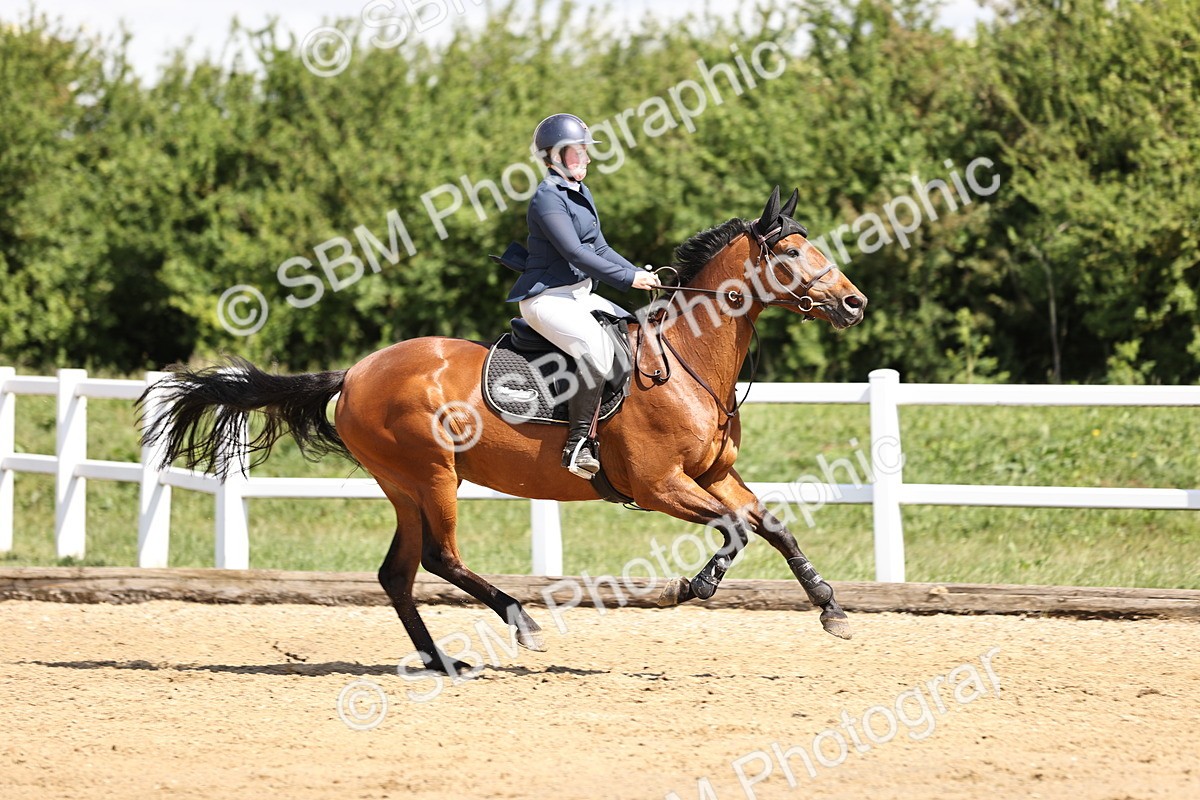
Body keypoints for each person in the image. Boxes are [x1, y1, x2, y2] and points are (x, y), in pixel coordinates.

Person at [505, 113, 660, 479]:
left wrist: (641, 274)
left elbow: (600, 248)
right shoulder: (547, 198)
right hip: (547, 300)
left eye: (586, 152)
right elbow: (576, 253)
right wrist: (627, 279)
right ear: (556, 156)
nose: (587, 158)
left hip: (578, 295)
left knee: (630, 332)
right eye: (579, 152)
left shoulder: (580, 193)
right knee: (596, 348)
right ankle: (577, 447)